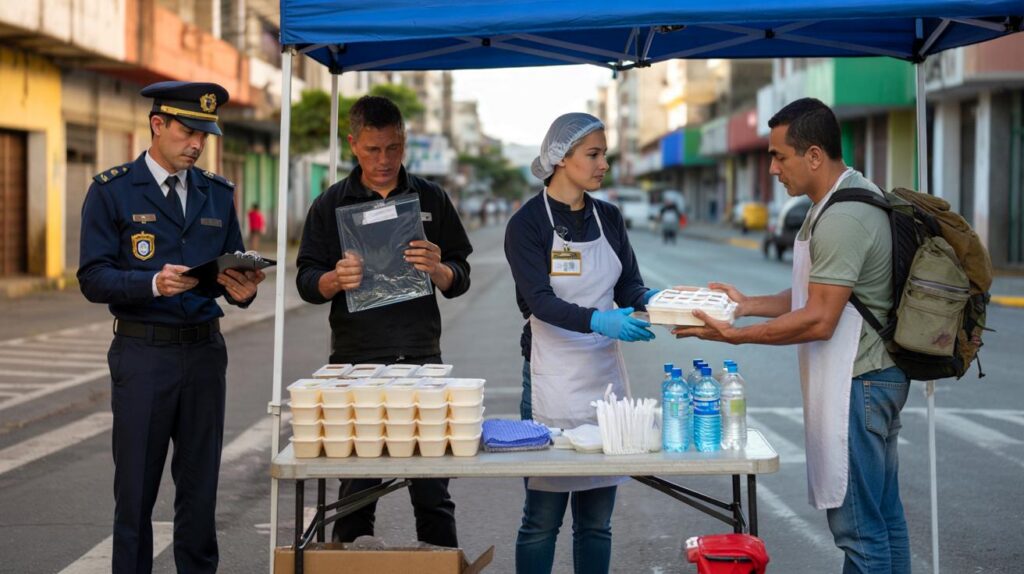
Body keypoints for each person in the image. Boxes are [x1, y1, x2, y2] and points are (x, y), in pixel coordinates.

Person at [674, 97, 909, 574]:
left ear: (815, 155)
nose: (773, 168)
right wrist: (745, 305)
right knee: (883, 520)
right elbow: (812, 291)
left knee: (860, 531)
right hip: (872, 379)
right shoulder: (836, 201)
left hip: (858, 384)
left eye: (780, 156)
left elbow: (820, 318)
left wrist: (736, 337)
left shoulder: (843, 216)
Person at [78, 81, 265, 574]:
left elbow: (232, 269)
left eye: (204, 134)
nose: (198, 144)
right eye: (188, 131)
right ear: (157, 124)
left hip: (204, 354)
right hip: (145, 356)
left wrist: (241, 290)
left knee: (201, 490)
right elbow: (93, 278)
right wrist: (152, 284)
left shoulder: (217, 193)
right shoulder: (112, 191)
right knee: (136, 492)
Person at [295, 95, 472, 548]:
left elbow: (460, 275)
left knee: (432, 489)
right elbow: (306, 280)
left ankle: (440, 561)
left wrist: (439, 269)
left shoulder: (430, 197)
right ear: (352, 144)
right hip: (355, 363)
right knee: (356, 492)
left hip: (421, 359)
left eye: (393, 148)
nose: (384, 160)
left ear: (405, 141)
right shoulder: (330, 203)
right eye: (373, 150)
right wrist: (334, 279)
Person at [504, 112, 659, 574]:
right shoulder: (527, 224)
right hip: (550, 379)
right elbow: (540, 302)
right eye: (593, 154)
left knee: (597, 522)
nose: (603, 164)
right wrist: (600, 320)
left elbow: (629, 286)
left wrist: (658, 300)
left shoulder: (608, 217)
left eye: (604, 154)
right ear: (560, 158)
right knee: (541, 519)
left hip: (603, 383)